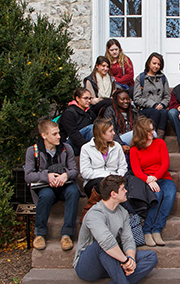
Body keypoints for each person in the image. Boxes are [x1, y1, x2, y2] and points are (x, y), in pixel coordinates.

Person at [74, 175, 158, 284]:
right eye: (123, 189)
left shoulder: (122, 212)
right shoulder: (95, 214)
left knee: (150, 257)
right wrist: (125, 261)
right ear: (113, 194)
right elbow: (106, 242)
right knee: (103, 245)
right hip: (88, 265)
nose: (126, 191)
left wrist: (130, 257)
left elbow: (128, 239)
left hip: (112, 262)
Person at [24, 118, 81, 251]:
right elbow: (28, 176)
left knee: (73, 192)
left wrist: (65, 175)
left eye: (59, 133)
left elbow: (74, 170)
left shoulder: (66, 148)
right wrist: (46, 176)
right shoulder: (33, 151)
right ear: (44, 135)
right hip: (44, 186)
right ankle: (40, 234)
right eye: (54, 134)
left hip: (64, 184)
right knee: (46, 195)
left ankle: (67, 234)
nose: (59, 137)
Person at [129, 116, 177, 247]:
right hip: (146, 181)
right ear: (141, 132)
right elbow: (136, 171)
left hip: (163, 177)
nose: (152, 133)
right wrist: (148, 180)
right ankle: (147, 231)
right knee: (156, 196)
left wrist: (155, 177)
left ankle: (157, 229)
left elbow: (165, 164)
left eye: (152, 130)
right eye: (148, 131)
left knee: (170, 194)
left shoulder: (160, 143)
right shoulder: (134, 150)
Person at [79, 118, 128, 216]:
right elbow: (85, 172)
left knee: (118, 187)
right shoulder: (86, 148)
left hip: (116, 181)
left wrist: (116, 177)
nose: (114, 133)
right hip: (94, 183)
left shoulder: (117, 146)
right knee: (103, 184)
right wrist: (108, 176)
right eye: (110, 131)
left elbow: (123, 167)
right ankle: (130, 215)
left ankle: (91, 214)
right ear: (101, 134)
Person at [133, 52, 170, 138]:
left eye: (159, 64)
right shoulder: (141, 78)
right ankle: (151, 136)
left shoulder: (163, 78)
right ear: (149, 63)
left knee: (164, 112)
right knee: (155, 112)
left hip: (160, 107)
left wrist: (162, 104)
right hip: (145, 109)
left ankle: (160, 138)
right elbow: (137, 98)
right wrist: (153, 104)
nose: (156, 66)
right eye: (154, 63)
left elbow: (167, 96)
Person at [58, 87, 95, 155]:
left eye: (90, 98)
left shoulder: (89, 112)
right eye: (85, 98)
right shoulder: (69, 113)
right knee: (91, 128)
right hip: (69, 144)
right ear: (77, 98)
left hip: (85, 143)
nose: (88, 101)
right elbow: (73, 133)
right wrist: (88, 148)